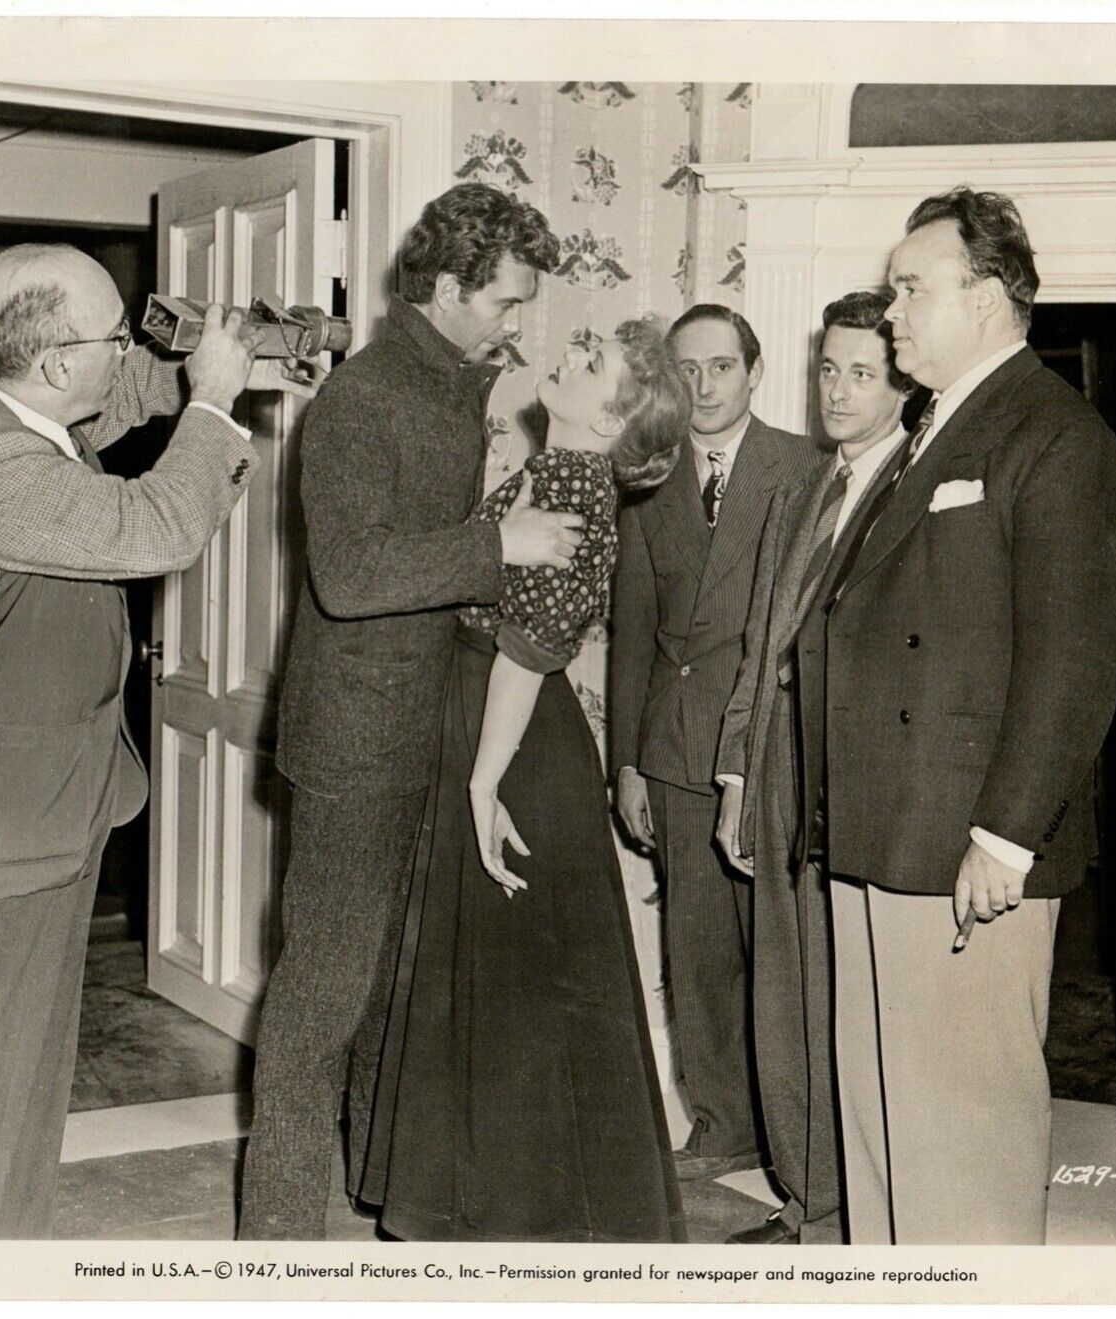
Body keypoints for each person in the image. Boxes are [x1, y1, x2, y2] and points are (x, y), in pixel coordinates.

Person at [0, 243, 316, 1238]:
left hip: (27, 819)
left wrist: (222, 353)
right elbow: (154, 527)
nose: (129, 350)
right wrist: (212, 404)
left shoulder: (7, 405)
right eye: (118, 334)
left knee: (10, 1107)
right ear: (59, 357)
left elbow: (117, 402)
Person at [237, 183, 579, 1241]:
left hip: (422, 725)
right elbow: (347, 572)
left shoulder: (445, 388)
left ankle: (384, 1199)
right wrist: (499, 547)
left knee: (387, 992)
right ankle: (278, 1251)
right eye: (506, 305)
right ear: (444, 288)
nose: (517, 330)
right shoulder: (361, 398)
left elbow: (418, 552)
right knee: (320, 1003)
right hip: (355, 743)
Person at [827, 188, 1116, 1244]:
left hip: (966, 843)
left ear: (990, 296)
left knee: (964, 1139)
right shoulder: (931, 429)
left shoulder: (1052, 433)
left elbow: (1073, 657)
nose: (889, 310)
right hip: (880, 831)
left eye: (911, 288)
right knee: (882, 1128)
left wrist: (1004, 834)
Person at [360, 319, 693, 1243]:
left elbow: (530, 650)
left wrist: (481, 783)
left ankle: (517, 1206)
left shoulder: (573, 488)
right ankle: (494, 1198)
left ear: (612, 418)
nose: (574, 357)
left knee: (513, 973)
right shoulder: (557, 474)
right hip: (496, 723)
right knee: (506, 972)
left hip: (510, 734)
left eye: (596, 367)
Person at [715, 290, 916, 1245]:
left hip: (857, 779)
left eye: (861, 374)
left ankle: (854, 1209)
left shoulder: (912, 485)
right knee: (784, 995)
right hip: (778, 770)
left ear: (903, 381)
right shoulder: (805, 485)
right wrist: (737, 778)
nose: (837, 391)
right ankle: (808, 1199)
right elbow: (762, 642)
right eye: (829, 369)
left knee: (850, 1002)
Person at [608, 304, 813, 1183]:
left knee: (778, 948)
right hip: (678, 748)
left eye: (720, 368)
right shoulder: (649, 477)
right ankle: (723, 1122)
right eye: (686, 371)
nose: (702, 387)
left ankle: (794, 1130)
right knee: (697, 950)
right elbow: (632, 630)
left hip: (773, 745)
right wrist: (627, 760)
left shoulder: (806, 467)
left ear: (755, 371)